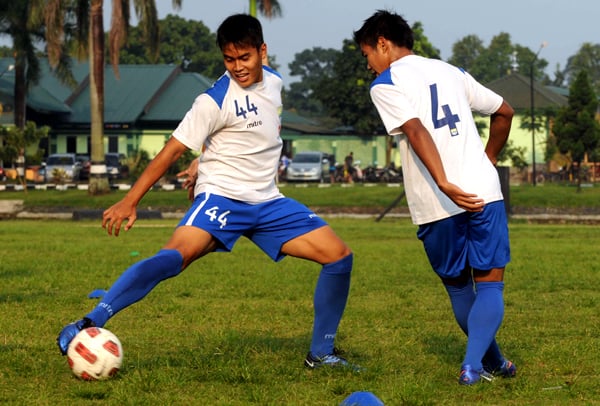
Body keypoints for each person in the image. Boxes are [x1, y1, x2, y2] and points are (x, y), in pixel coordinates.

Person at [57, 14, 356, 371]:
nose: (238, 67)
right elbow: (170, 150)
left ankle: (321, 355)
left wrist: (203, 161)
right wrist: (130, 199)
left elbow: (251, 135)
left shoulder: (274, 83)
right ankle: (89, 322)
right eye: (229, 60)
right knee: (175, 257)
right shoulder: (212, 100)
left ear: (263, 52)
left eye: (244, 58)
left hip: (268, 202)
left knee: (339, 257)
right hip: (222, 199)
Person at [353, 10, 516, 385]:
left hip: (436, 202)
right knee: (490, 284)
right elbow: (504, 111)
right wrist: (486, 160)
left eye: (367, 55)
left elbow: (414, 129)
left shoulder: (385, 83)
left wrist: (443, 181)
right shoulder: (451, 71)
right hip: (482, 191)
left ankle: (474, 366)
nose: (368, 65)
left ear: (382, 43)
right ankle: (485, 363)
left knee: (460, 288)